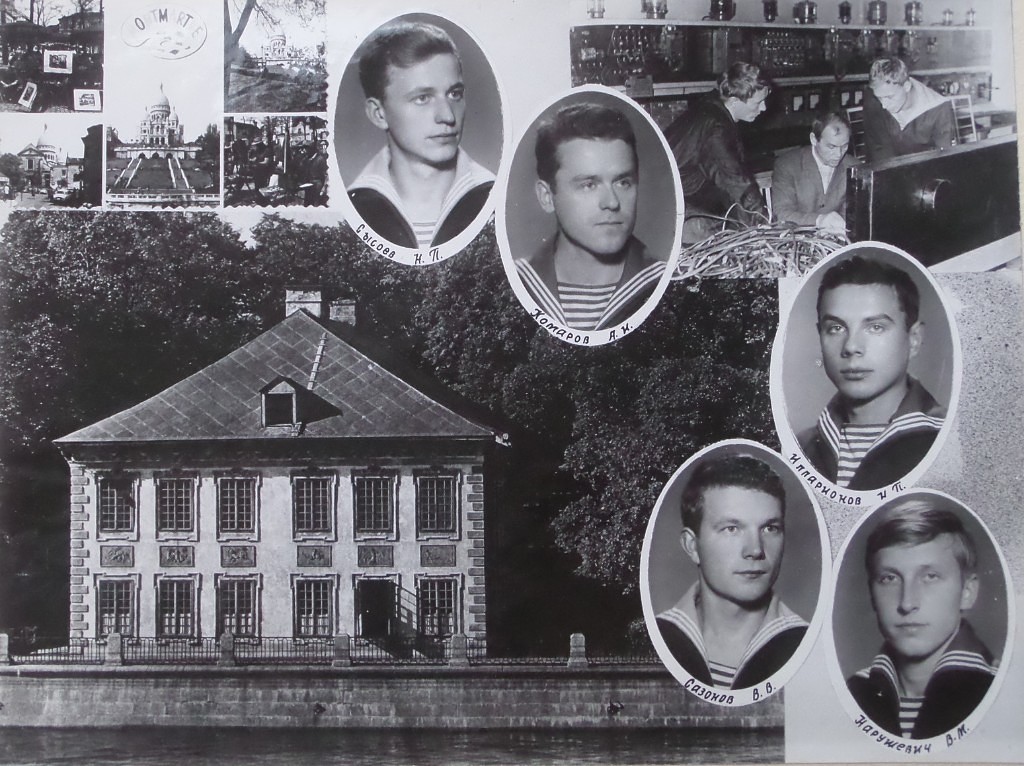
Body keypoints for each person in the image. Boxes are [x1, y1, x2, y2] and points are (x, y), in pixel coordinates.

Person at [847, 500, 997, 739]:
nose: (907, 603)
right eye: (889, 579)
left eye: (930, 576)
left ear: (967, 592)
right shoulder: (851, 694)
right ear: (872, 594)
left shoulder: (1003, 691)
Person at [655, 454, 808, 689]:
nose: (755, 550)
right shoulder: (657, 637)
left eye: (770, 528)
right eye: (731, 529)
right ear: (692, 546)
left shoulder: (807, 645)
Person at [799, 253, 946, 491]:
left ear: (914, 340)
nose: (851, 346)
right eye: (835, 328)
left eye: (876, 327)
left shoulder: (947, 439)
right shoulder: (800, 446)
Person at [514, 102, 665, 332]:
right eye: (588, 185)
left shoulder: (668, 283)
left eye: (623, 182)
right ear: (547, 197)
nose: (612, 202)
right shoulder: (515, 284)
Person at [348, 20, 494, 249]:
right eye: (423, 98)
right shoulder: (351, 210)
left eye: (454, 94)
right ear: (379, 114)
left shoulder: (496, 200)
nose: (447, 116)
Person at [664, 62, 770, 244]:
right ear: (735, 101)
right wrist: (764, 225)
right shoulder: (715, 129)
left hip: (674, 201)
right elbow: (736, 181)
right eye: (758, 103)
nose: (764, 108)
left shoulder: (710, 107)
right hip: (676, 210)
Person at [771, 111, 857, 233]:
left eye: (844, 146)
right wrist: (819, 220)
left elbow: (852, 214)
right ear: (814, 139)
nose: (838, 154)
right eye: (831, 147)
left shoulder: (854, 167)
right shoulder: (787, 165)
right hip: (797, 237)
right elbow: (782, 215)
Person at [863, 57, 956, 162]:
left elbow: (944, 158)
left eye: (889, 97)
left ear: (906, 86)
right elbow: (879, 151)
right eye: (880, 98)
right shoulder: (873, 102)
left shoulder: (939, 108)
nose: (884, 105)